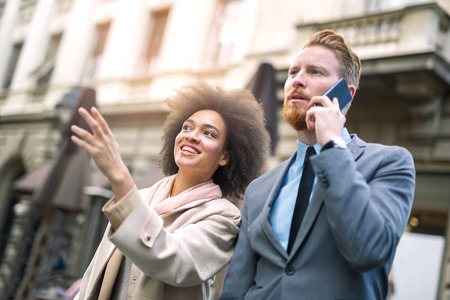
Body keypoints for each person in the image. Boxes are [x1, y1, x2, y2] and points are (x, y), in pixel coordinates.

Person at [220, 29, 415, 300]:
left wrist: (332, 144)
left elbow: (369, 249)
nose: (297, 80)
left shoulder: (389, 163)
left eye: (314, 72)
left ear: (344, 93)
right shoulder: (258, 189)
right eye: (292, 72)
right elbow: (234, 290)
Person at [70, 81, 270, 300]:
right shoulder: (142, 197)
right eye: (187, 127)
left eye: (209, 134)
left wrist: (120, 176)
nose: (192, 136)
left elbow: (176, 262)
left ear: (225, 156)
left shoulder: (224, 217)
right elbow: (94, 273)